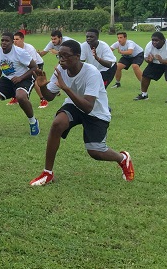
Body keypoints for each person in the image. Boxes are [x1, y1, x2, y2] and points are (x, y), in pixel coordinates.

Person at [30, 39, 134, 186]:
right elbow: (50, 97)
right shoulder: (59, 70)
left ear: (77, 56)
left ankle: (122, 158)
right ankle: (47, 173)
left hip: (96, 112)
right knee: (57, 124)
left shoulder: (92, 73)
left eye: (66, 56)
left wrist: (66, 88)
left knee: (95, 152)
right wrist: (43, 87)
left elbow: (88, 107)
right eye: (60, 56)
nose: (62, 60)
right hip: (74, 105)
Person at [134, 32, 167, 103]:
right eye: (153, 40)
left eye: (156, 40)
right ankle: (144, 94)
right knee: (146, 75)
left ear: (163, 40)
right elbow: (146, 58)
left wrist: (162, 60)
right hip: (157, 61)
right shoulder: (149, 45)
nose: (154, 42)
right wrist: (149, 60)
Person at [13, 31, 48, 108]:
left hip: (36, 64)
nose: (15, 41)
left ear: (22, 39)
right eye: (14, 39)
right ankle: (16, 98)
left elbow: (34, 64)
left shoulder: (29, 48)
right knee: (15, 78)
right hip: (24, 65)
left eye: (17, 39)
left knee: (36, 81)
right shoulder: (14, 49)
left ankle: (43, 100)